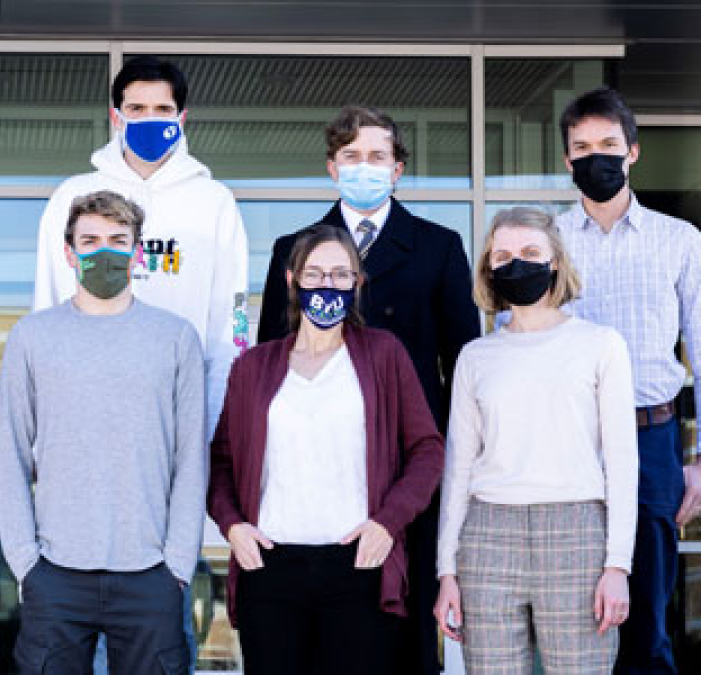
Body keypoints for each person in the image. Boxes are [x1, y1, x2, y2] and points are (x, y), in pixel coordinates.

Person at [255, 105, 480, 675]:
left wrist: (448, 463)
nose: (365, 167)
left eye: (377, 156)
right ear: (332, 168)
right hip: (310, 473)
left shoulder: (438, 246)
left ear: (398, 168)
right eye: (352, 157)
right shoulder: (292, 249)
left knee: (401, 628)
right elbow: (267, 367)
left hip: (405, 470)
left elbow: (462, 365)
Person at [209, 222, 443, 674]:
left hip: (358, 563)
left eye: (340, 274)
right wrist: (233, 526)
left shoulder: (383, 354)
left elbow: (428, 449)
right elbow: (220, 461)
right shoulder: (253, 367)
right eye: (314, 274)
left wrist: (387, 523)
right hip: (269, 568)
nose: (327, 285)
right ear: (291, 280)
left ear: (358, 282)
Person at [0, 190, 207, 673]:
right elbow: (10, 453)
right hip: (56, 574)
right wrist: (27, 563)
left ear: (137, 252)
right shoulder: (31, 337)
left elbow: (190, 459)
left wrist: (176, 564)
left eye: (118, 240)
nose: (104, 251)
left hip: (150, 575)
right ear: (69, 252)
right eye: (89, 241)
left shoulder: (175, 338)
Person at [433, 206, 637, 673]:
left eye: (529, 252)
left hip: (577, 532)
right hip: (487, 536)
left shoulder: (601, 345)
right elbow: (458, 468)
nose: (515, 264)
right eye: (501, 255)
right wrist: (447, 572)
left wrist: (617, 567)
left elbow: (623, 463)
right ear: (488, 268)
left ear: (556, 262)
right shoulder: (476, 356)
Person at [552, 86, 701, 675]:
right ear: (567, 160)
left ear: (632, 151)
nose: (597, 157)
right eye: (582, 147)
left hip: (651, 440)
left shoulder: (680, 241)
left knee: (646, 623)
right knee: (571, 616)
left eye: (608, 145)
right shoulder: (547, 241)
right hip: (566, 442)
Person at [33, 55, 247, 440]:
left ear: (182, 118)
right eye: (137, 108)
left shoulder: (214, 203)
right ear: (116, 117)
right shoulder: (72, 196)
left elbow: (230, 326)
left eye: (162, 109)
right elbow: (46, 311)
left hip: (178, 412)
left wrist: (214, 427)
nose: (150, 118)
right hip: (84, 408)